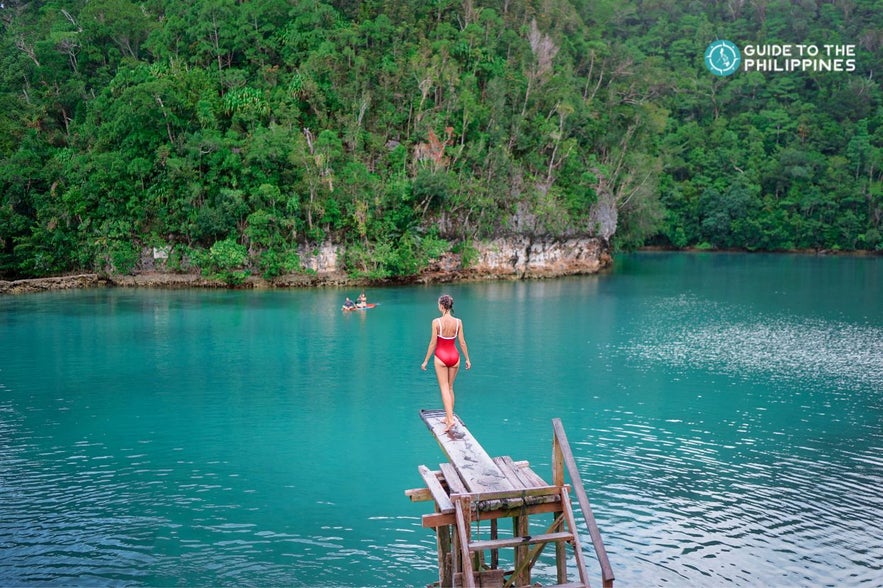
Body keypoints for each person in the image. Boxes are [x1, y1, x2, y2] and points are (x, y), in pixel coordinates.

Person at [421, 294, 471, 433]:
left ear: (442, 306)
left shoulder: (436, 322)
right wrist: (467, 358)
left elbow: (433, 343)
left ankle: (450, 420)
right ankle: (448, 416)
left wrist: (425, 360)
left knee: (444, 388)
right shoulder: (458, 322)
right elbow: (462, 342)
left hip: (441, 357)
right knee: (450, 388)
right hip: (455, 357)